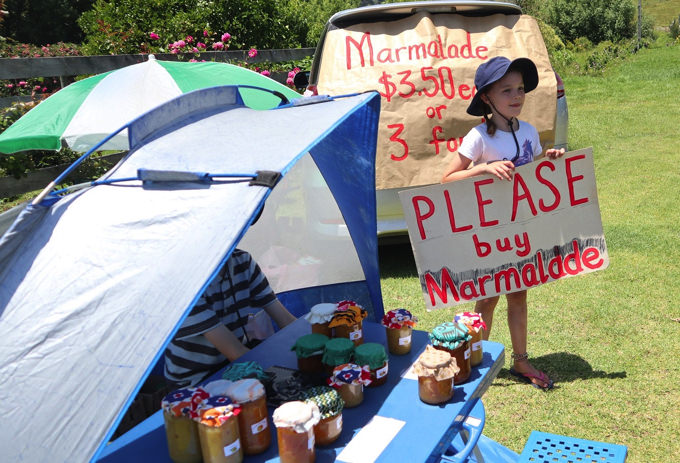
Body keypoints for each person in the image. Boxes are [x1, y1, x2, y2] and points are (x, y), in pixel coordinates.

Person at [440, 56, 565, 390]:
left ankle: (521, 360)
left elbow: (533, 171)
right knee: (487, 299)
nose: (516, 96)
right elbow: (447, 179)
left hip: (521, 230)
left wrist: (548, 160)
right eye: (507, 90)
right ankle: (474, 357)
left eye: (520, 89)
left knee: (519, 294)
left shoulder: (528, 131)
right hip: (489, 235)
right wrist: (481, 168)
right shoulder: (478, 137)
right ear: (486, 97)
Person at [164, 248, 296, 388]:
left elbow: (286, 320)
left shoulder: (242, 261)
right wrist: (286, 370)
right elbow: (235, 352)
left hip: (235, 364)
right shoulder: (183, 283)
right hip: (194, 382)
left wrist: (314, 342)